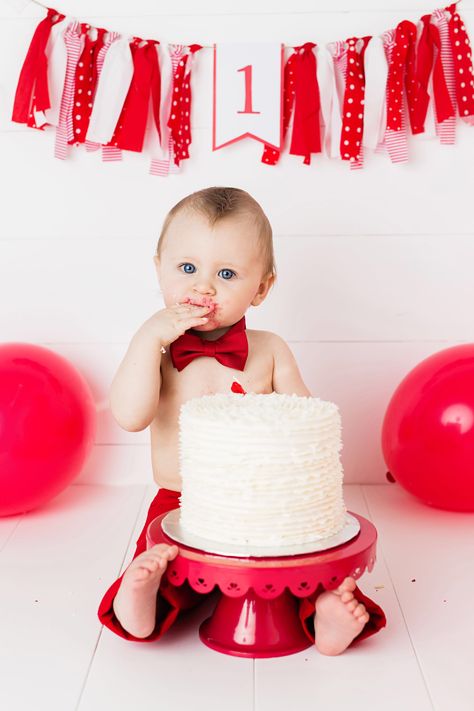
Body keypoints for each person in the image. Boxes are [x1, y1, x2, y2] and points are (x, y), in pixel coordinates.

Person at [98, 186, 386, 655]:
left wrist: (274, 415)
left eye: (227, 273)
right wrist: (147, 338)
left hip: (266, 505)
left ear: (262, 287)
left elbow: (307, 428)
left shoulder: (270, 350)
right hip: (181, 499)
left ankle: (327, 613)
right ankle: (141, 599)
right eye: (187, 268)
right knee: (161, 560)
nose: (203, 287)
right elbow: (130, 417)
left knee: (296, 562)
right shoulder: (160, 351)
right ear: (159, 268)